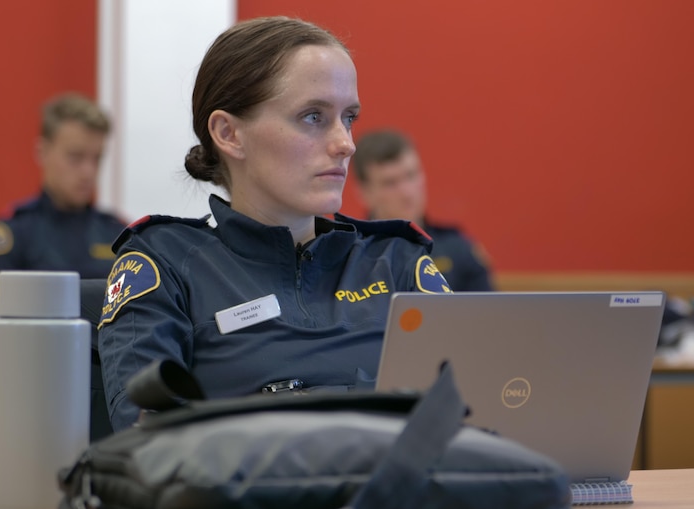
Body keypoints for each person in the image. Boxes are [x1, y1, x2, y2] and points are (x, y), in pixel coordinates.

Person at [98, 16, 452, 431]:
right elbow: (147, 440)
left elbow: (480, 413)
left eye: (349, 117)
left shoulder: (397, 261)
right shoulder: (165, 264)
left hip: (404, 491)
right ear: (229, 134)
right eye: (313, 117)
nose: (346, 143)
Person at [0, 93, 126, 296]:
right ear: (42, 152)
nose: (88, 171)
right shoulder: (14, 233)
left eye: (97, 158)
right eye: (75, 157)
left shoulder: (117, 235)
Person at [352, 130, 495, 292]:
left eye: (411, 175)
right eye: (390, 183)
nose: (407, 193)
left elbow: (490, 314)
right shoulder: (348, 257)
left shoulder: (457, 249)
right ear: (364, 193)